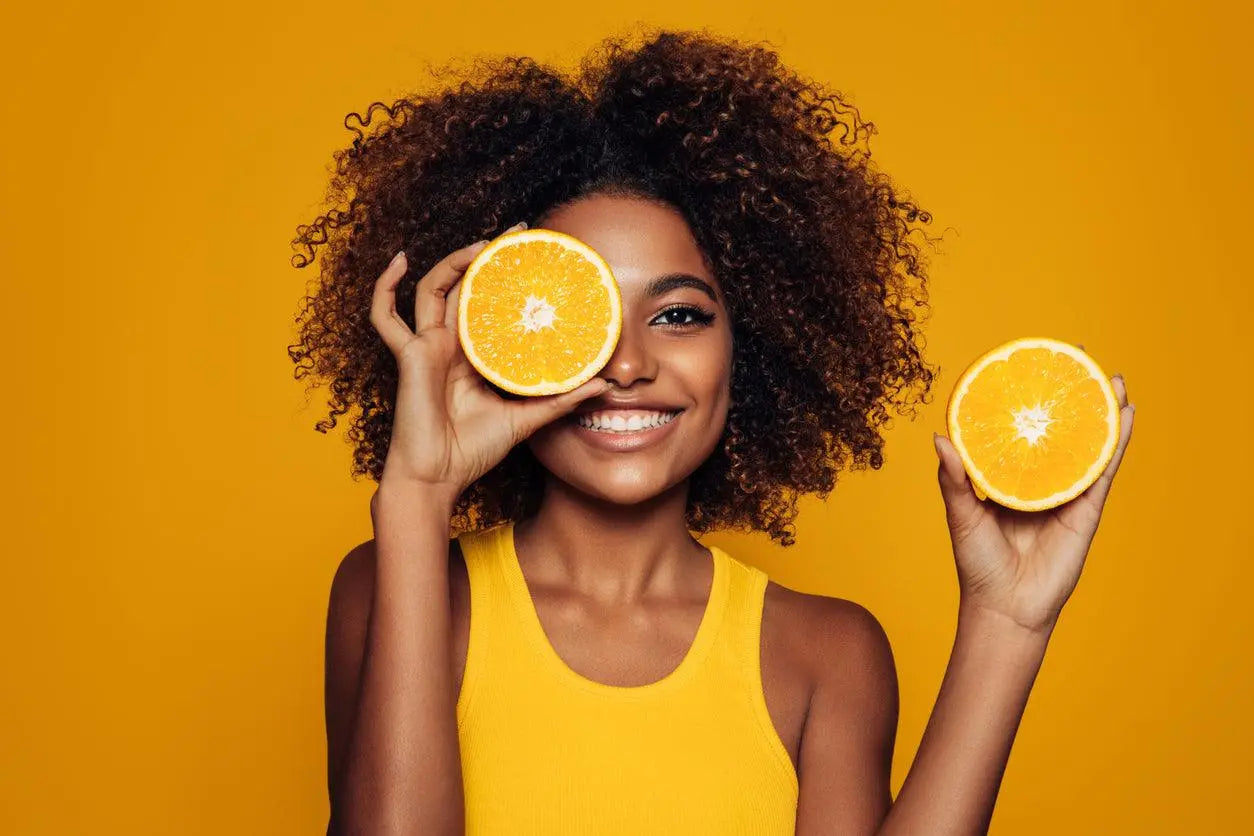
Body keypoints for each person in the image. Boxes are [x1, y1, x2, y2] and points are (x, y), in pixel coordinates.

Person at [289, 27, 1136, 835]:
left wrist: (1008, 624)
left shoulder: (826, 656)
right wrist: (417, 498)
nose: (626, 365)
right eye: (576, 322)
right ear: (492, 344)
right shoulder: (392, 586)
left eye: (680, 315)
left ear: (753, 343)